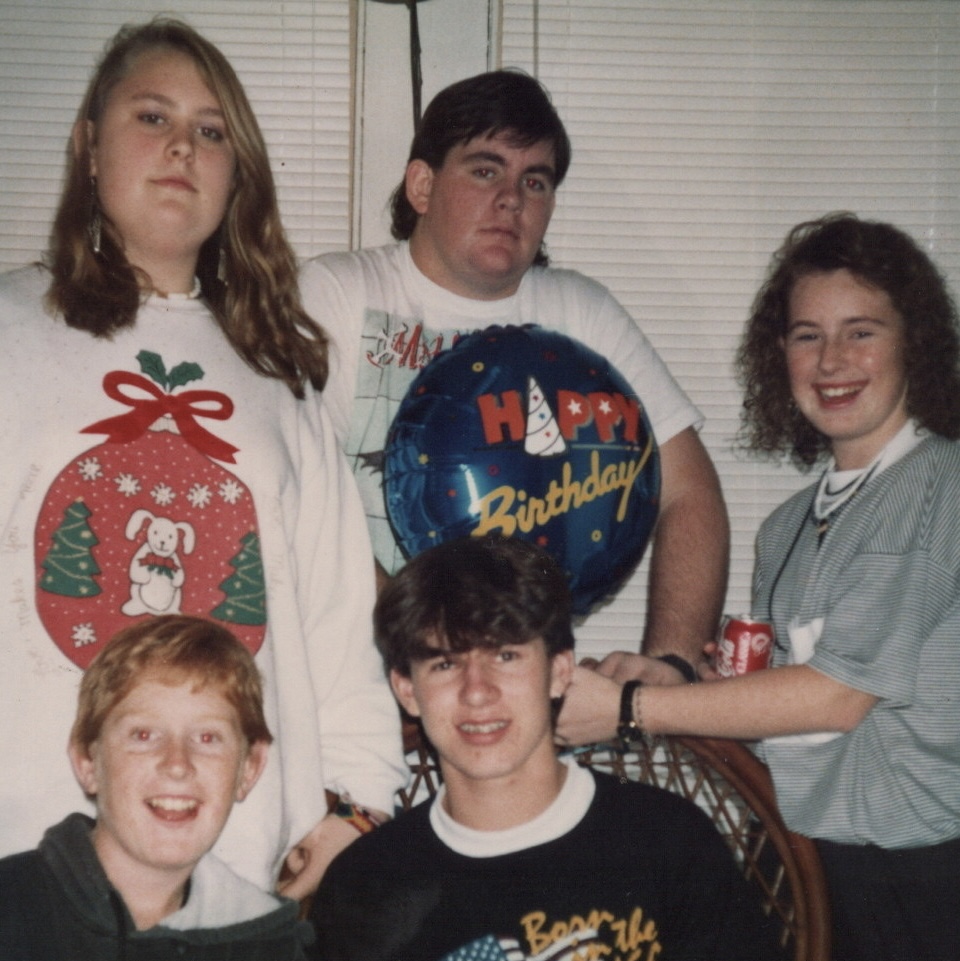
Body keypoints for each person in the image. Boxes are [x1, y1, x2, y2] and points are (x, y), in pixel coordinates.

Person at [0, 17, 405, 899]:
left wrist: (358, 807)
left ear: (237, 172)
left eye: (212, 130)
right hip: (25, 845)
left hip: (238, 859)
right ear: (89, 148)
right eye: (152, 116)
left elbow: (337, 614)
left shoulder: (276, 371)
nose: (183, 145)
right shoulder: (6, 330)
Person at [558, 213, 960, 961]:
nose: (832, 358)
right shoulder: (785, 527)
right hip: (805, 856)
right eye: (807, 335)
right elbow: (791, 708)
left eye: (862, 331)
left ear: (915, 342)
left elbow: (837, 696)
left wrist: (629, 709)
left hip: (916, 880)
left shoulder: (938, 485)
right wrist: (680, 674)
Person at [299, 69, 729, 684]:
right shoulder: (338, 294)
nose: (512, 198)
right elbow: (298, 500)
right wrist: (425, 650)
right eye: (484, 169)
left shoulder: (580, 313)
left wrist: (672, 666)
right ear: (422, 185)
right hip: (356, 680)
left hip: (516, 697)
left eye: (535, 180)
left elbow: (690, 492)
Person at [309, 535, 780, 961]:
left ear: (558, 672)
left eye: (506, 656)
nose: (478, 692)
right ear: (406, 689)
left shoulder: (668, 842)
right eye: (445, 664)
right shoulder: (366, 881)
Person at [0, 614, 314, 959]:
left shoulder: (272, 945)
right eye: (144, 735)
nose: (177, 764)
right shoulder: (13, 909)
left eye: (207, 737)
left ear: (249, 769)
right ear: (88, 762)